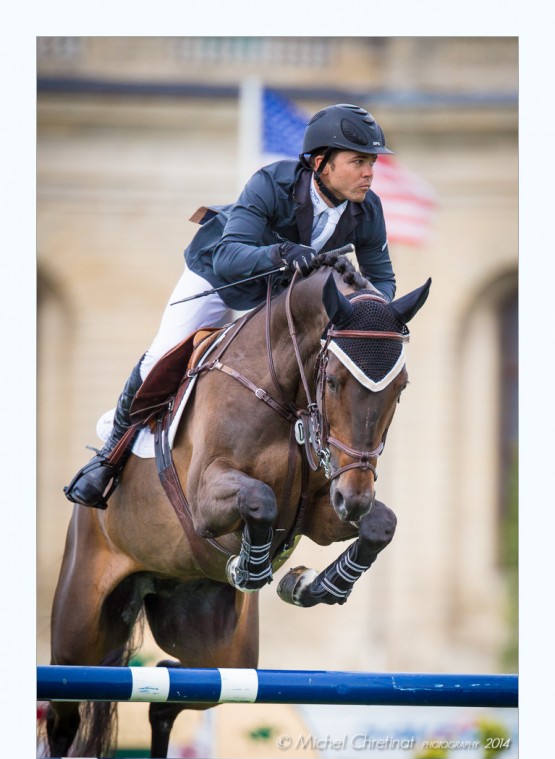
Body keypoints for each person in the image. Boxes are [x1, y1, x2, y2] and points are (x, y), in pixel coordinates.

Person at [64, 102, 397, 510]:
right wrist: (281, 253)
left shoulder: (369, 208)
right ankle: (110, 456)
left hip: (276, 299)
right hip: (219, 281)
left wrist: (374, 318)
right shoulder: (271, 184)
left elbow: (381, 278)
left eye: (372, 163)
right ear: (321, 163)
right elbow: (228, 256)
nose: (369, 173)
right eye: (359, 161)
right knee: (160, 357)